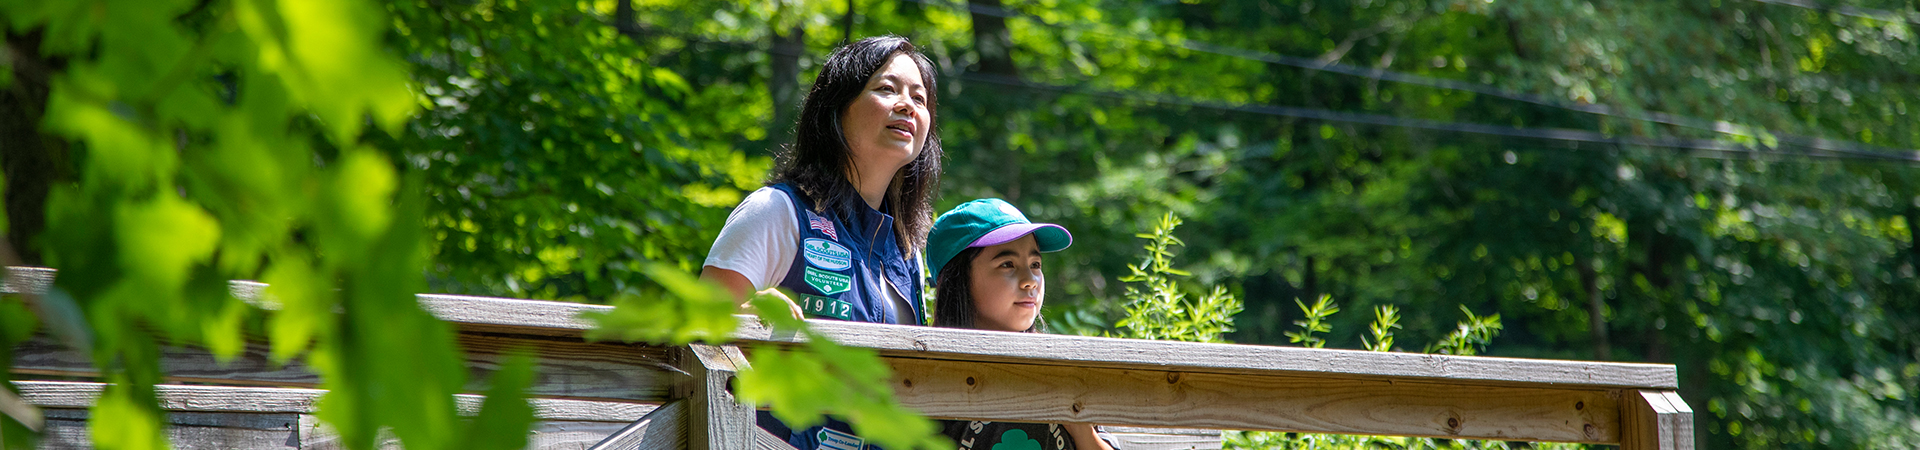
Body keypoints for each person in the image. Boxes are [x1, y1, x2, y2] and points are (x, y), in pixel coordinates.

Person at [700, 35, 941, 450]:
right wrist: (748, 312)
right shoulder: (777, 211)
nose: (907, 105)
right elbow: (695, 328)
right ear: (835, 108)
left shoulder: (908, 252)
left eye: (919, 99)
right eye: (887, 89)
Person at [924, 198, 1115, 450]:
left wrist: (1080, 426)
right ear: (958, 281)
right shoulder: (924, 375)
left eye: (1035, 265)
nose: (1030, 280)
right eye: (1007, 264)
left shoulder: (1066, 370)